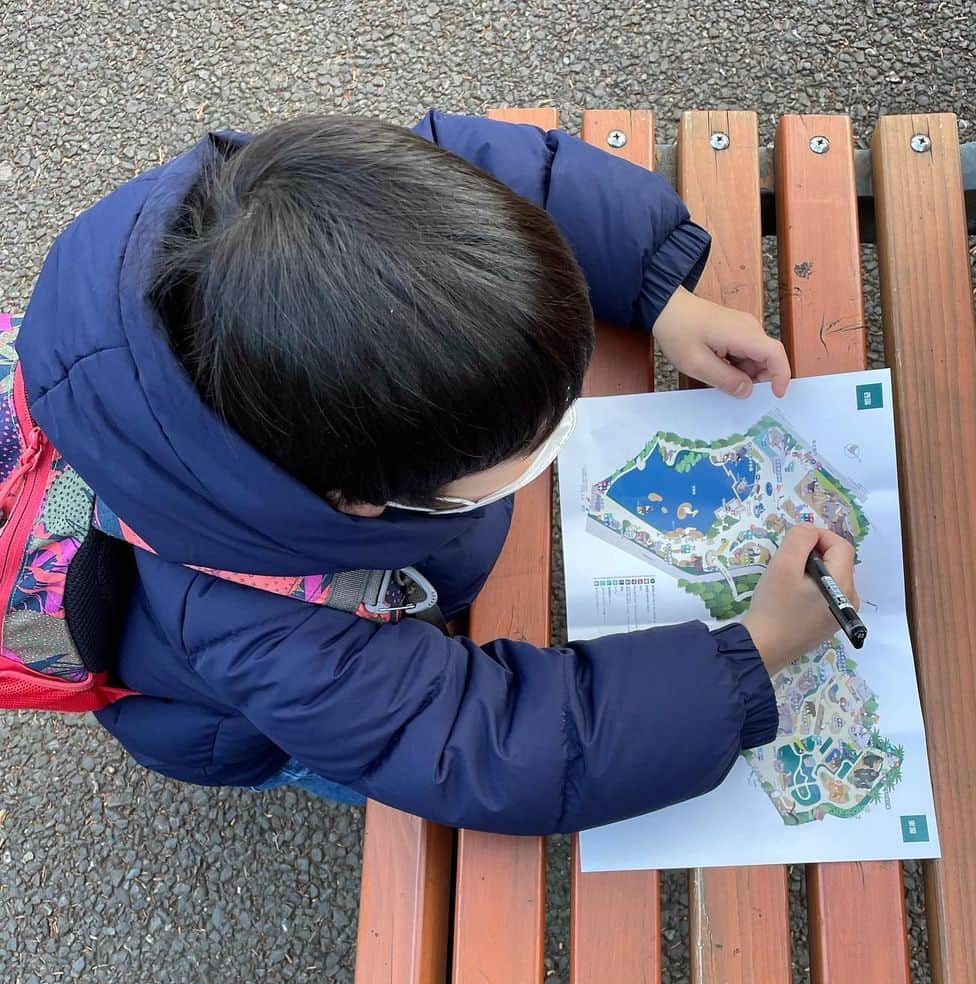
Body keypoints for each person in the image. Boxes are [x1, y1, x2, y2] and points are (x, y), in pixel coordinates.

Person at [15, 113, 858, 834]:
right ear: (357, 503)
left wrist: (661, 293)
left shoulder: (301, 216)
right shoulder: (267, 636)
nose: (565, 427)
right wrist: (755, 650)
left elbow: (492, 171)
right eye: (530, 443)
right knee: (360, 763)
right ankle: (317, 773)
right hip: (237, 711)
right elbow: (477, 744)